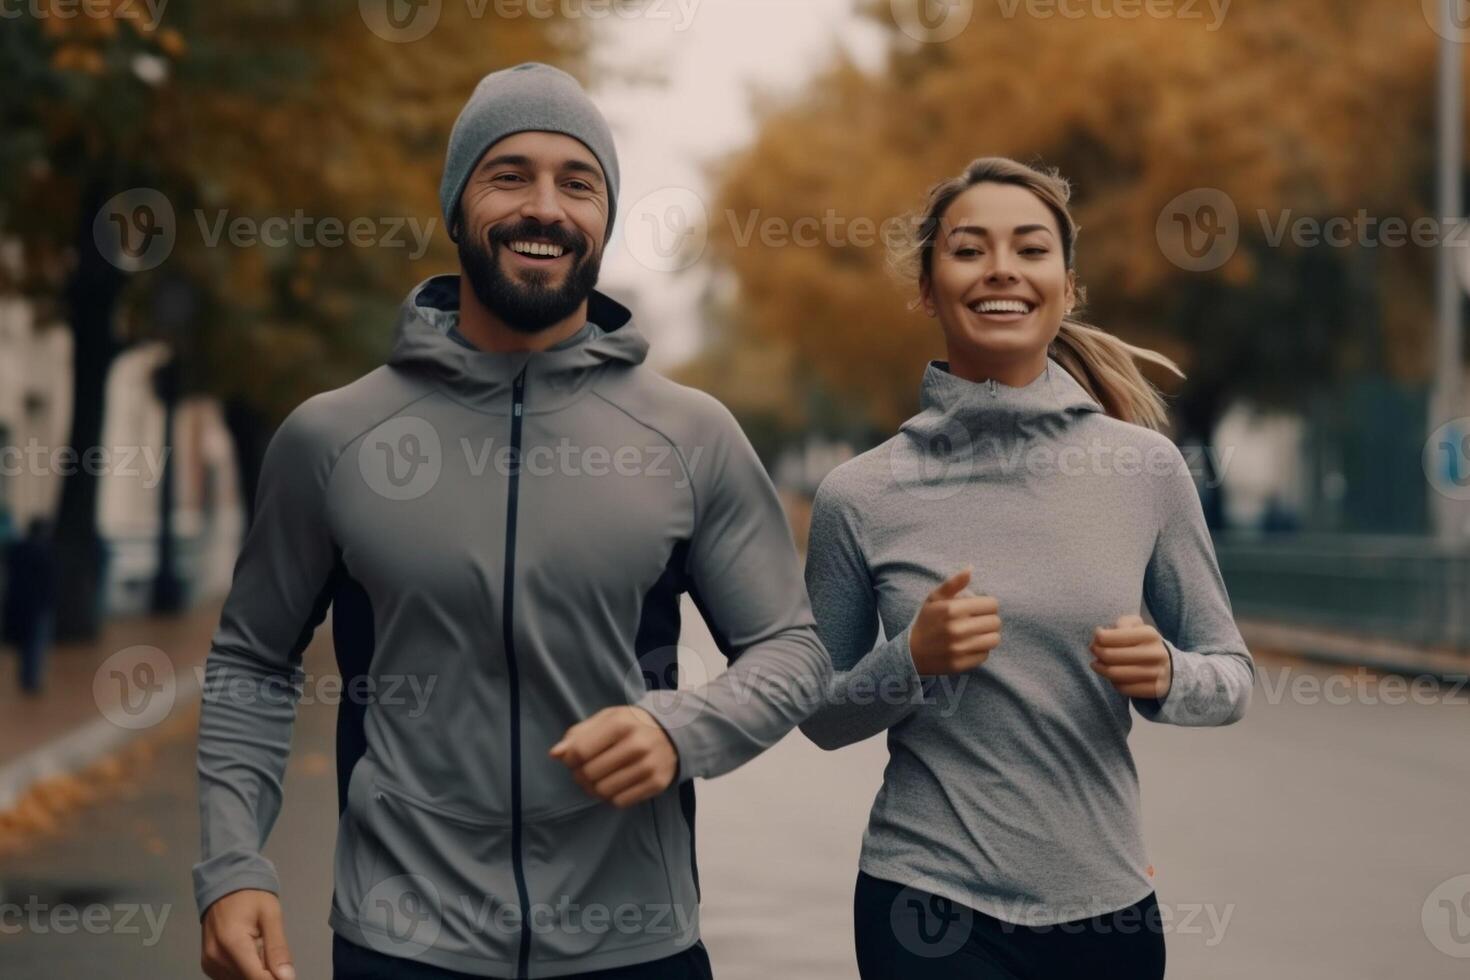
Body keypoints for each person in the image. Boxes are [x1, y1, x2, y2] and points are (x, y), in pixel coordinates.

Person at [194, 63, 831, 980]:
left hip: (636, 945)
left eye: (579, 183)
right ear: (457, 204)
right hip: (399, 941)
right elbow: (253, 658)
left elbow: (791, 649)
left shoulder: (691, 435)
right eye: (509, 175)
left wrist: (678, 728)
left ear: (605, 217)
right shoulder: (332, 437)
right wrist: (229, 865)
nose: (546, 207)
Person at [798, 157, 1254, 979]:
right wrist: (911, 659)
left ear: (1068, 287)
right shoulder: (859, 494)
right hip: (924, 902)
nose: (1002, 268)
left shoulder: (1145, 470)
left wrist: (1166, 676)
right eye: (969, 249)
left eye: (1030, 249)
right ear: (929, 291)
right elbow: (820, 714)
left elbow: (1232, 675)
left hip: (1106, 909)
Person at [3, 516, 58, 695]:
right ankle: (30, 681)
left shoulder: (17, 549)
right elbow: (49, 581)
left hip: (19, 604)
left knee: (26, 644)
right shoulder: (44, 551)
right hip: (37, 606)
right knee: (34, 645)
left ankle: (26, 679)